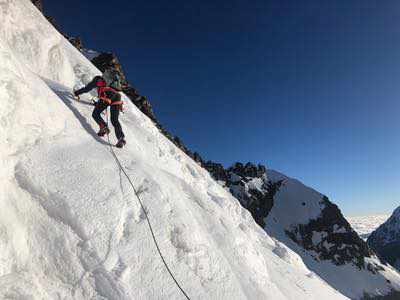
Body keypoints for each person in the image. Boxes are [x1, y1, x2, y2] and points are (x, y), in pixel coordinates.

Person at [74, 75, 126, 148]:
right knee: (114, 120)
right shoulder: (112, 84)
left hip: (108, 94)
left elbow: (87, 89)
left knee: (95, 114)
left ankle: (103, 127)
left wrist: (77, 93)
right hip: (117, 97)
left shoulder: (97, 80)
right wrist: (97, 103)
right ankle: (121, 138)